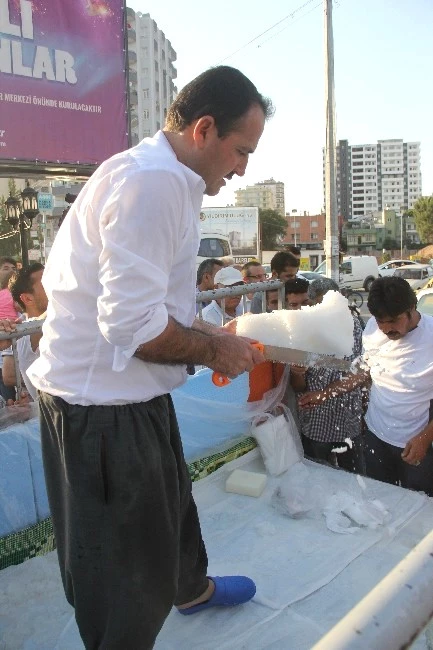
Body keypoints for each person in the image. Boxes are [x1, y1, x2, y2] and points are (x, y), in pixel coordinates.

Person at [27, 65, 272, 649]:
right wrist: (216, 345)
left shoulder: (169, 178)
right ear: (204, 129)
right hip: (102, 412)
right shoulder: (151, 183)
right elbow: (131, 327)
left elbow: (157, 300)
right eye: (241, 151)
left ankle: (189, 589)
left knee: (173, 511)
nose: (242, 169)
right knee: (121, 576)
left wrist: (208, 344)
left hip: (137, 395)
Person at [362, 276, 433, 495]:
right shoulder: (372, 329)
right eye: (379, 320)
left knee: (418, 507)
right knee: (379, 499)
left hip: (415, 442)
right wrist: (325, 393)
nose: (385, 328)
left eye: (393, 320)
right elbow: (368, 370)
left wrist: (425, 438)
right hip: (375, 435)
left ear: (412, 307)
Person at [292, 278, 364, 473]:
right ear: (312, 304)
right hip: (315, 422)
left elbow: (361, 373)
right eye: (320, 305)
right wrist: (296, 373)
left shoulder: (354, 325)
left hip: (347, 419)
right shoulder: (303, 331)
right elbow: (298, 386)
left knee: (353, 478)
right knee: (318, 476)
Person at [1, 263, 47, 401]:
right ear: (27, 298)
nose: (57, 285)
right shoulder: (23, 332)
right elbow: (8, 376)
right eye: (46, 283)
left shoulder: (19, 326)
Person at [0, 256, 18, 401]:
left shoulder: (15, 292)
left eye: (13, 268)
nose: (10, 271)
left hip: (14, 346)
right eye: (5, 268)